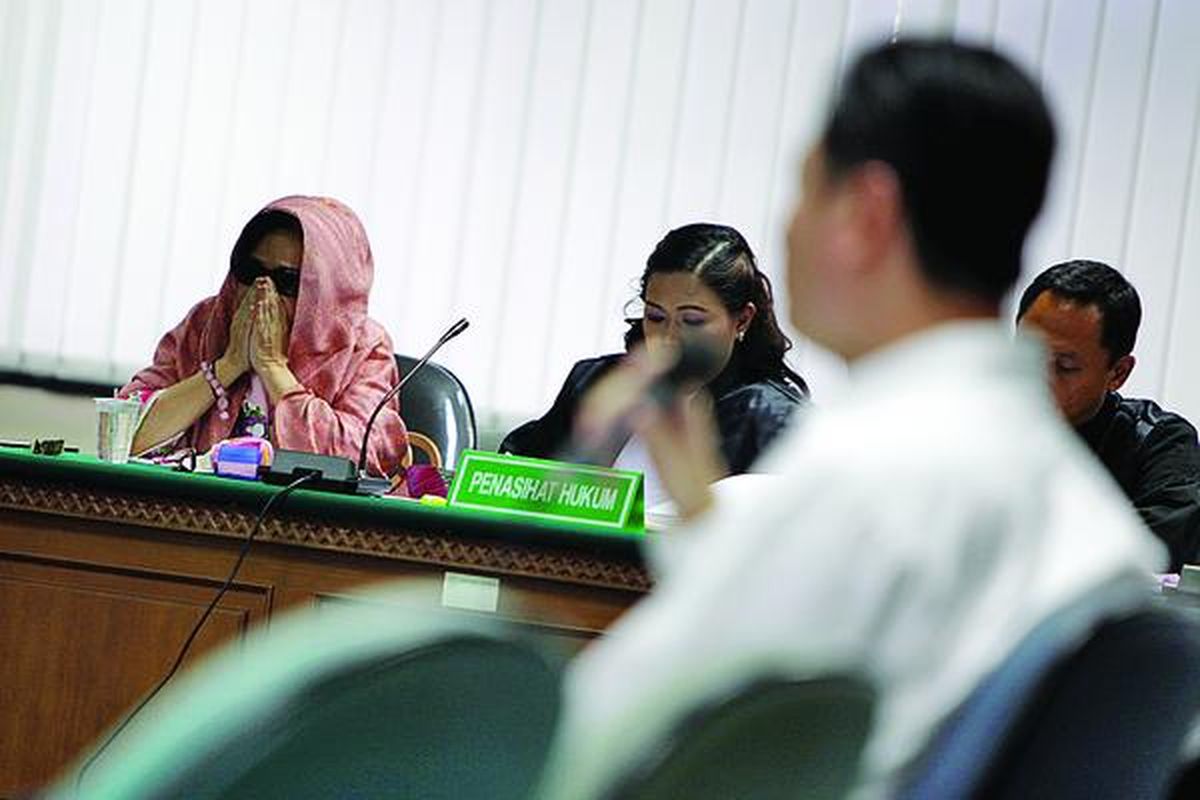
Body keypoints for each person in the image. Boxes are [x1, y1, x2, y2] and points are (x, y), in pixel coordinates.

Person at [538, 40, 1164, 799]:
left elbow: (602, 740)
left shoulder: (865, 471)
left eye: (804, 193)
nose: (791, 232)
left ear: (866, 214)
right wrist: (707, 517)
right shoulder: (1094, 525)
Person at [500, 223, 807, 506]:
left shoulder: (770, 417)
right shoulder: (597, 380)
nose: (669, 337)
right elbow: (517, 466)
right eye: (655, 317)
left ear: (742, 320)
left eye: (692, 320)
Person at [120, 196, 409, 478]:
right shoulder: (207, 322)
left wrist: (273, 368)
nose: (263, 292)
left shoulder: (364, 347)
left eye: (287, 281)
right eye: (252, 272)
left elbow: (364, 456)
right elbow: (123, 433)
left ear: (328, 289)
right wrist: (228, 365)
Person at [1017, 260, 1200, 571]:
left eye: (1064, 367)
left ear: (1118, 373)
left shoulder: (1158, 441)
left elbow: (1146, 552)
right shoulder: (968, 427)